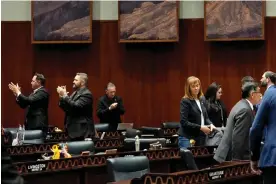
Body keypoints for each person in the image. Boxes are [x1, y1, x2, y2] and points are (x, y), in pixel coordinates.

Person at [214, 82, 262, 163]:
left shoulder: (242, 104)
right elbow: (238, 139)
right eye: (259, 92)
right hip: (232, 157)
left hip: (229, 154)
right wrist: (236, 163)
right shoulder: (245, 110)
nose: (261, 95)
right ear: (252, 94)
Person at [249, 73, 276, 184]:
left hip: (273, 156)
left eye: (263, 77)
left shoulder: (269, 95)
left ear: (268, 79)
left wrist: (254, 157)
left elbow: (255, 129)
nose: (260, 79)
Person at [177, 76, 216, 148]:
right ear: (188, 88)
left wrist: (211, 124)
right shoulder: (185, 101)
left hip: (200, 137)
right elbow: (184, 122)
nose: (196, 88)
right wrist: (201, 127)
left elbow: (206, 117)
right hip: (187, 137)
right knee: (189, 159)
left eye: (197, 86)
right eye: (193, 86)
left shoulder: (202, 99)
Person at [57, 73, 95, 141]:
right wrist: (61, 98)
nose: (73, 81)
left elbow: (76, 106)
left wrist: (65, 96)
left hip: (82, 132)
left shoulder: (87, 94)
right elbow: (68, 109)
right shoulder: (75, 93)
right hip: (72, 130)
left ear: (82, 82)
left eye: (76, 80)